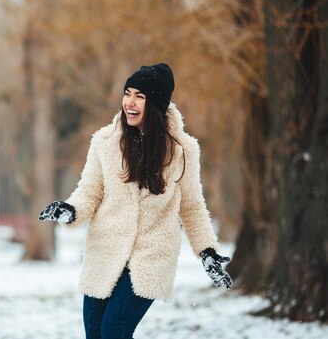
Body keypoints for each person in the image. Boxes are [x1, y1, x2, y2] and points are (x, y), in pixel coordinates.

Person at [39, 63, 232, 339]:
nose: (129, 102)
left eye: (139, 96)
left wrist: (207, 252)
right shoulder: (105, 142)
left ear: (155, 104)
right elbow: (89, 193)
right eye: (127, 93)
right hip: (104, 252)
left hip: (151, 257)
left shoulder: (182, 151)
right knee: (95, 335)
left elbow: (191, 207)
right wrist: (69, 210)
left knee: (113, 333)